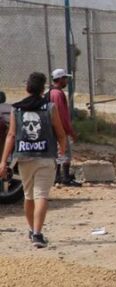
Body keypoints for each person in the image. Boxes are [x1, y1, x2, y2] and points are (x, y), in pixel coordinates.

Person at [0, 72, 68, 248]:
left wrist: (3, 161)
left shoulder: (17, 109)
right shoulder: (50, 108)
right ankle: (38, 234)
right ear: (43, 89)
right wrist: (62, 150)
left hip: (23, 157)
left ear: (27, 88)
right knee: (42, 195)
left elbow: (11, 135)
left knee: (29, 196)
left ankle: (32, 230)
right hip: (45, 157)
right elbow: (60, 134)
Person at [49, 69, 81, 187]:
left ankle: (57, 176)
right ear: (60, 79)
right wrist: (70, 131)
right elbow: (62, 115)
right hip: (60, 129)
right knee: (65, 153)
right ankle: (65, 177)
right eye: (65, 78)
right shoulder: (58, 94)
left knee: (58, 152)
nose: (66, 81)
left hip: (52, 128)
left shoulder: (51, 92)